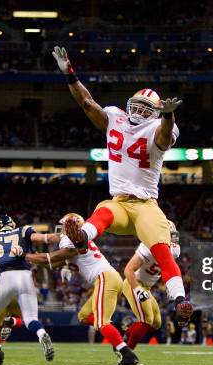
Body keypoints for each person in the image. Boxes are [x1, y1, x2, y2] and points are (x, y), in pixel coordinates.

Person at [51, 46, 193, 326]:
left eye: (146, 108)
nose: (139, 111)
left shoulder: (160, 126)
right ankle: (82, 236)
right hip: (120, 202)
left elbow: (164, 139)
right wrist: (69, 74)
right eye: (136, 105)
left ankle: (180, 299)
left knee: (162, 248)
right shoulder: (115, 116)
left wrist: (168, 115)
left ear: (155, 113)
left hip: (145, 205)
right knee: (103, 211)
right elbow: (87, 103)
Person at [23, 213, 140, 365]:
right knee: (84, 316)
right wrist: (40, 260)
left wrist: (25, 256)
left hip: (105, 278)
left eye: (66, 226)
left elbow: (49, 259)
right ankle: (116, 333)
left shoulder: (71, 240)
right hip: (108, 278)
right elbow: (54, 264)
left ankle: (127, 354)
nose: (63, 229)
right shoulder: (77, 240)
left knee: (101, 322)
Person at [0, 215, 56, 365]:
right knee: (31, 319)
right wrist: (64, 236)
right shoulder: (23, 230)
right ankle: (42, 334)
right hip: (25, 277)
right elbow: (46, 239)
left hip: (5, 277)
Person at [122, 220, 180, 350]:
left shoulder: (175, 250)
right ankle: (126, 352)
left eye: (173, 234)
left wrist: (171, 287)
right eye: (170, 234)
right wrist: (137, 289)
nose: (173, 238)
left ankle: (127, 334)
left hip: (147, 287)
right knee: (147, 319)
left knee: (157, 322)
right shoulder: (149, 246)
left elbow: (168, 269)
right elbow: (128, 270)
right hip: (133, 283)